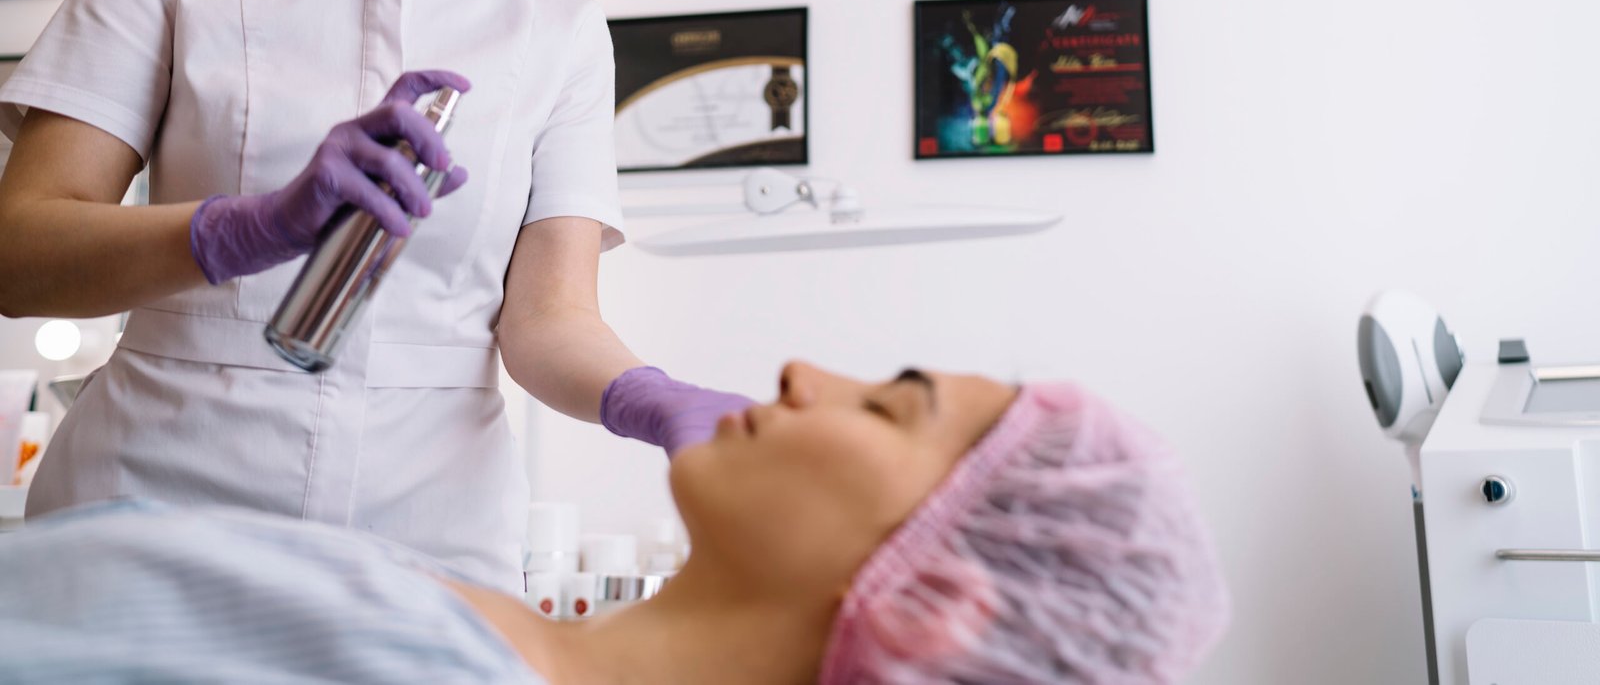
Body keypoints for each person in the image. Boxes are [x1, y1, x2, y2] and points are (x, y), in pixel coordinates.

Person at [0, 0, 750, 591]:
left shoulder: (557, 30)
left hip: (428, 546)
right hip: (151, 522)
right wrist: (248, 229)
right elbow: (20, 259)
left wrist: (646, 399)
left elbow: (545, 319)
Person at [0, 361, 1231, 684]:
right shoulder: (454, 627)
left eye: (887, 403)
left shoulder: (418, 663)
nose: (801, 371)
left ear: (940, 610)